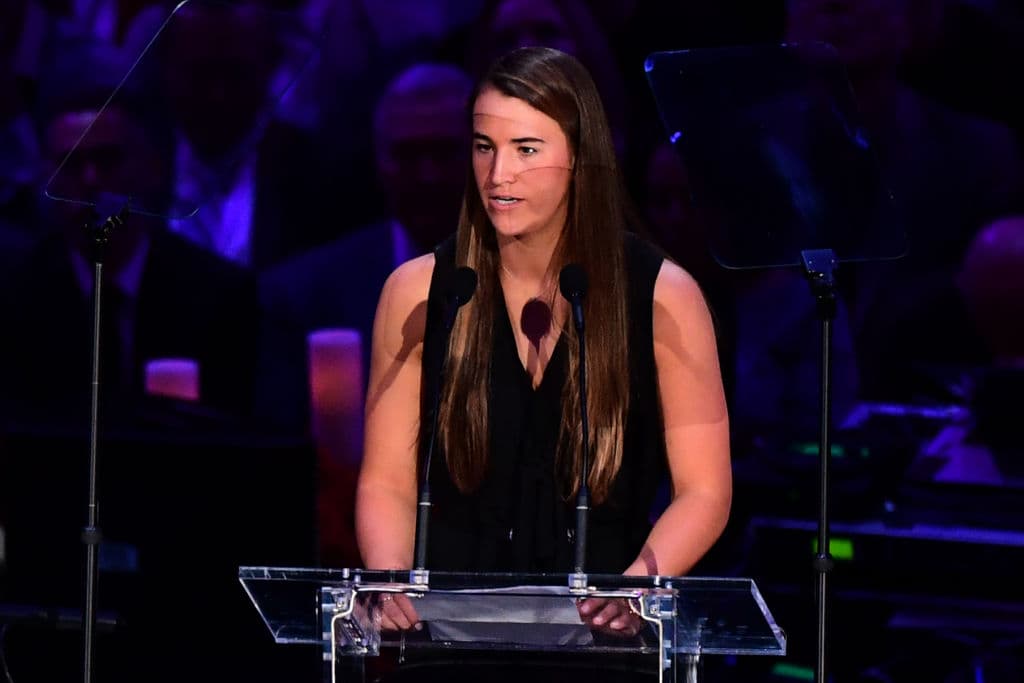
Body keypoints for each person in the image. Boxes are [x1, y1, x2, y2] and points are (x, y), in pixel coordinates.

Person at [354, 46, 731, 653]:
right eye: (484, 147)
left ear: (581, 158)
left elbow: (705, 489)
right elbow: (387, 483)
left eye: (527, 150)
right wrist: (392, 578)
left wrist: (635, 588)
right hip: (449, 646)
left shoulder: (662, 296)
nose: (499, 175)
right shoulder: (420, 292)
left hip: (600, 646)